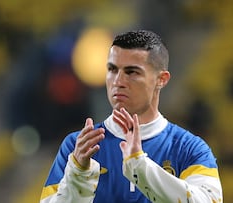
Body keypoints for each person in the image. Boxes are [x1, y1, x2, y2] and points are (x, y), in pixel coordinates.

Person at [40, 30, 223, 203]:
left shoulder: (189, 148)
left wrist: (140, 166)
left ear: (161, 79)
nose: (118, 82)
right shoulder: (78, 146)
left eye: (131, 72)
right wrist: (78, 176)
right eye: (112, 70)